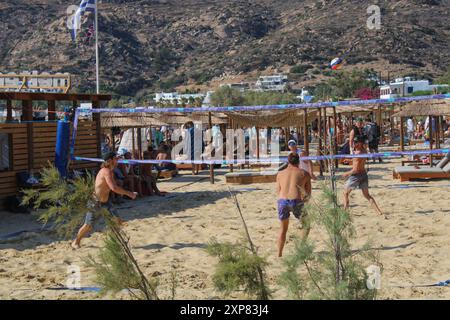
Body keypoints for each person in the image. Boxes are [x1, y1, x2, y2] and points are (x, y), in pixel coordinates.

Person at [72, 152, 137, 249]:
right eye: (116, 158)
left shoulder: (110, 171)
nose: (118, 160)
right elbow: (113, 188)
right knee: (88, 226)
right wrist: (130, 194)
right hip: (95, 203)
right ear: (110, 161)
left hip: (106, 202)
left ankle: (115, 242)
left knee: (117, 221)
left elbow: (112, 187)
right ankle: (76, 242)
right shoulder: (106, 171)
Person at [276, 153, 312, 257]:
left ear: (288, 161)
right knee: (306, 225)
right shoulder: (304, 173)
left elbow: (278, 191)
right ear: (298, 162)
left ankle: (279, 254)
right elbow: (308, 195)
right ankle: (301, 250)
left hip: (282, 201)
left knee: (283, 229)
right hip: (296, 201)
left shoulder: (280, 173)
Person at [342, 137, 385, 219]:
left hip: (356, 176)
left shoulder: (358, 154)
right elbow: (358, 162)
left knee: (345, 193)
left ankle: (345, 213)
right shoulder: (364, 151)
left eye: (355, 142)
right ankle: (379, 212)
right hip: (364, 174)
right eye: (353, 142)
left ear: (360, 143)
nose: (353, 143)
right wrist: (350, 160)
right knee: (367, 195)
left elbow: (355, 169)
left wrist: (346, 173)